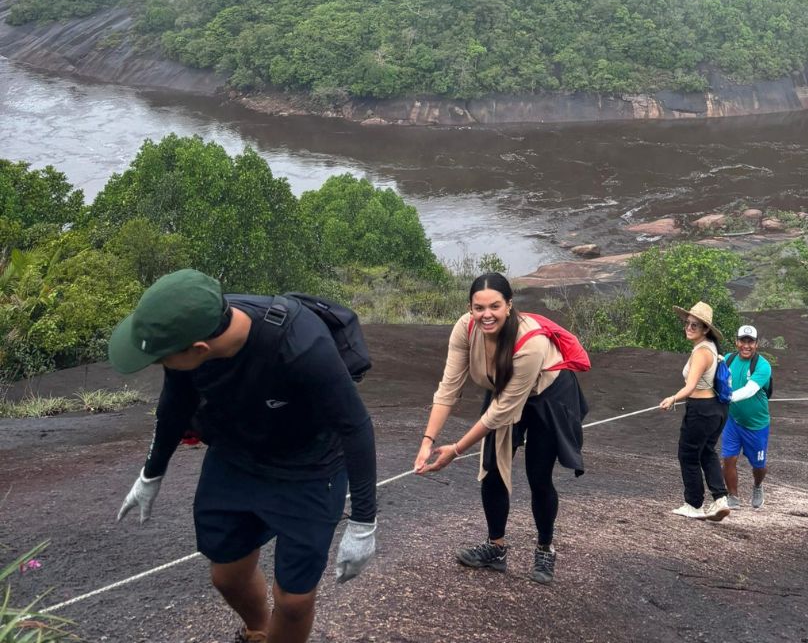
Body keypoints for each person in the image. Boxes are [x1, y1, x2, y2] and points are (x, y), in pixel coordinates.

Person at [111, 269, 377, 643]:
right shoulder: (193, 328)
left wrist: (364, 522)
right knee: (227, 575)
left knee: (295, 600)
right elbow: (174, 406)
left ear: (199, 350)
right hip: (236, 455)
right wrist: (151, 474)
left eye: (161, 360)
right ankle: (260, 631)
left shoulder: (299, 344)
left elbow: (356, 426)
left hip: (309, 467)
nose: (161, 367)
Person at [414, 272, 588, 585]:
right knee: (492, 469)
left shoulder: (530, 341)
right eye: (478, 307)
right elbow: (449, 388)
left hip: (547, 393)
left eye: (494, 306)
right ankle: (496, 548)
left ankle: (545, 548)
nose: (486, 314)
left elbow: (502, 411)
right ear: (470, 308)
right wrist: (428, 441)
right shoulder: (465, 329)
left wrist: (455, 450)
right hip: (503, 389)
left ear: (509, 305)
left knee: (539, 474)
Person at [659, 301, 730, 522]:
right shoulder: (712, 347)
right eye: (688, 324)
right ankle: (720, 499)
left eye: (695, 326)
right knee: (707, 451)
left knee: (688, 455)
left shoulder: (701, 352)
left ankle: (694, 504)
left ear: (705, 329)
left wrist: (672, 398)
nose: (689, 328)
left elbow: (690, 387)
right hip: (716, 410)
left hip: (701, 410)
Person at [721, 324, 772, 510]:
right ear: (737, 342)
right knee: (729, 459)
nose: (746, 345)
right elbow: (717, 380)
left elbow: (750, 390)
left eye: (751, 342)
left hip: (757, 424)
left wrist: (727, 398)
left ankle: (758, 486)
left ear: (756, 344)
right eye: (743, 341)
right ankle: (732, 496)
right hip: (733, 420)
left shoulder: (763, 366)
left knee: (759, 466)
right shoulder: (728, 359)